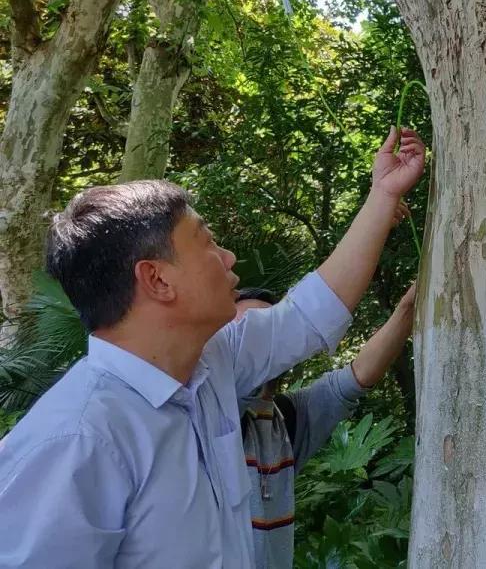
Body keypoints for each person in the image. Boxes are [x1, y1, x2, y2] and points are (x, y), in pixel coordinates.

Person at [0, 127, 425, 568]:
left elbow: (309, 315)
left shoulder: (210, 366)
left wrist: (383, 193)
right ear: (157, 279)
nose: (228, 258)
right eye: (206, 242)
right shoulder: (77, 439)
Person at [235, 281, 415, 569]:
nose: (256, 343)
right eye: (243, 332)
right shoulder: (213, 416)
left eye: (268, 329)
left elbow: (357, 377)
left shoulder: (288, 419)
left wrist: (409, 306)